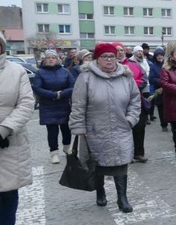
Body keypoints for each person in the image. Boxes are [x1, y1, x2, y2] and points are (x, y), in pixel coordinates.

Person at [69, 43, 141, 213]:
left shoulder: (126, 76)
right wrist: (79, 128)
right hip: (95, 129)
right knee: (98, 164)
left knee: (121, 163)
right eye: (104, 56)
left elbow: (135, 101)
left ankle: (122, 198)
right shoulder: (86, 77)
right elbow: (78, 105)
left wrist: (130, 120)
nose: (109, 60)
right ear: (97, 59)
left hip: (121, 127)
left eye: (112, 56)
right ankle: (100, 192)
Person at [0, 33, 35, 225]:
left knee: (7, 192)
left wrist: (4, 129)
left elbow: (26, 103)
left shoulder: (16, 71)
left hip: (8, 140)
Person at [32, 50, 76, 164]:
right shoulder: (40, 73)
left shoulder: (65, 72)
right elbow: (37, 88)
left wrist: (61, 94)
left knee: (66, 129)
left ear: (57, 59)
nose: (51, 59)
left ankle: (67, 147)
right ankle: (54, 153)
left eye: (53, 57)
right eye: (48, 57)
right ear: (44, 60)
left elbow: (73, 86)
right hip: (48, 106)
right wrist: (53, 95)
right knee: (52, 131)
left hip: (63, 105)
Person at [114, 43, 148, 163]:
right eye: (117, 50)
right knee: (122, 129)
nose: (120, 52)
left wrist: (131, 87)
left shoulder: (134, 64)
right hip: (118, 102)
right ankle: (125, 154)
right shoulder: (110, 66)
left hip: (136, 99)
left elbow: (143, 79)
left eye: (121, 50)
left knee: (139, 127)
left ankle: (139, 153)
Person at [148, 47, 167, 131]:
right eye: (158, 55)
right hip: (158, 89)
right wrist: (162, 82)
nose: (159, 57)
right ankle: (163, 124)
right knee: (161, 108)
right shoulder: (153, 66)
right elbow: (151, 78)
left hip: (168, 89)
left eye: (161, 55)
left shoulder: (167, 64)